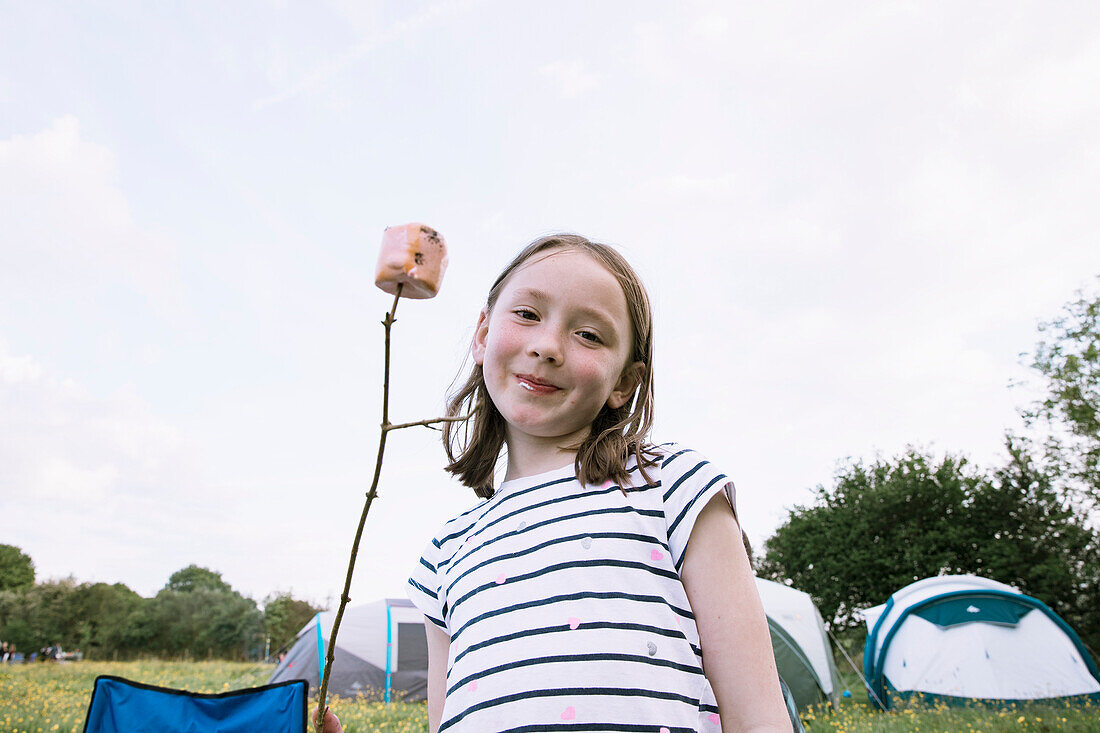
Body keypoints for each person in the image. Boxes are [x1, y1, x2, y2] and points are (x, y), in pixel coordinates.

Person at [322, 234, 791, 732]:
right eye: (527, 314)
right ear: (482, 335)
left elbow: (759, 717)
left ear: (624, 382)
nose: (546, 346)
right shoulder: (446, 550)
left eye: (589, 334)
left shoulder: (672, 487)